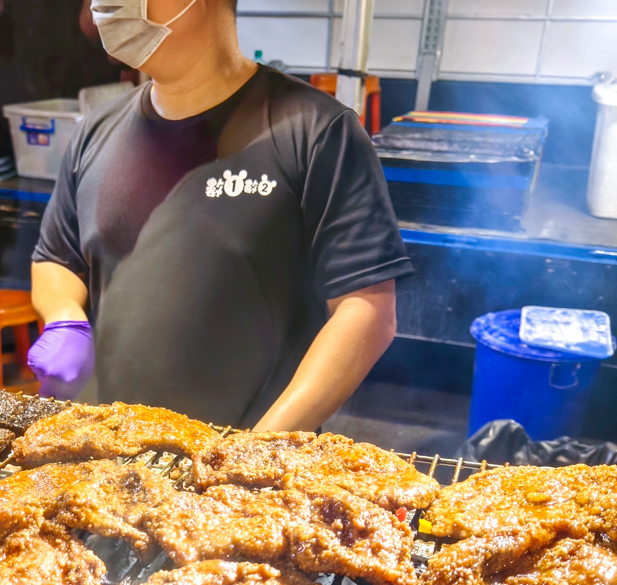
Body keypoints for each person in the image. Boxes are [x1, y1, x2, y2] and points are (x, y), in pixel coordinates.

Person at [27, 0, 412, 430]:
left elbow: (368, 311)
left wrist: (255, 451)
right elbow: (57, 258)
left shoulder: (316, 131)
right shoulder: (95, 132)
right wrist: (64, 317)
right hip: (108, 446)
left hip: (245, 464)